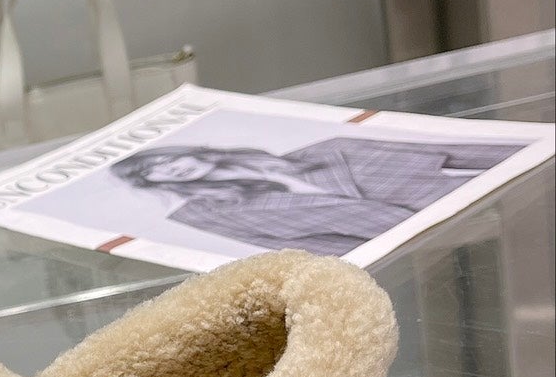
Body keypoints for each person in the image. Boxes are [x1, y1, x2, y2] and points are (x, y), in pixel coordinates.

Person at [111, 133, 514, 256]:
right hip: (441, 251)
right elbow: (311, 251)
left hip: (501, 204)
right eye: (152, 172)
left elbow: (454, 151)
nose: (170, 169)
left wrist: (532, 152)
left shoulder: (328, 148)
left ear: (186, 150)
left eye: (165, 159)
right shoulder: (209, 212)